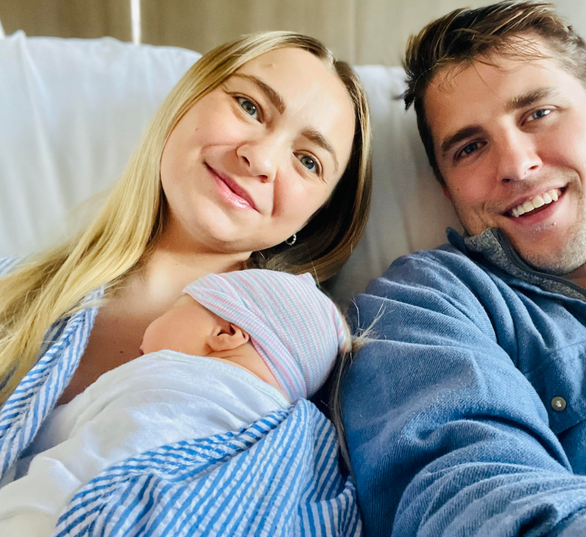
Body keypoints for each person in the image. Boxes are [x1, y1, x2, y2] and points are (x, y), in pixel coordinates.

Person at [340, 2, 586, 536]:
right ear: (447, 189)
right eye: (471, 147)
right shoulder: (425, 304)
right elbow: (467, 497)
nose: (516, 166)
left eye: (537, 114)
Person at [0, 31, 371, 534]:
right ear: (187, 100)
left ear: (315, 213)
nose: (260, 160)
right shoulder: (10, 289)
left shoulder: (309, 378)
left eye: (308, 161)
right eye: (249, 106)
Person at [0, 268, 352, 535]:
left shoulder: (171, 380)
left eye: (173, 310)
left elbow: (72, 466)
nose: (149, 326)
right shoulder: (298, 440)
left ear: (224, 334)